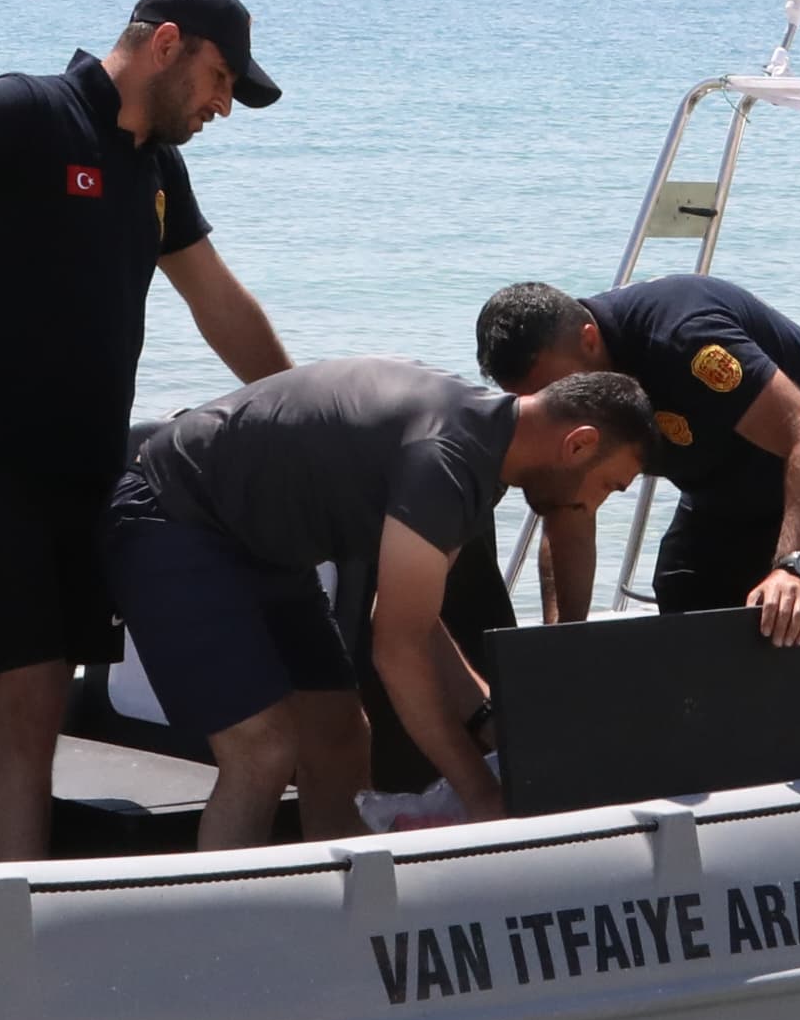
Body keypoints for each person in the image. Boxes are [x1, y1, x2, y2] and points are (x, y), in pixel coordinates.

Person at [0, 0, 293, 861]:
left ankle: (26, 918)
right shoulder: (29, 111)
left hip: (88, 472)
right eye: (221, 78)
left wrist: (302, 405)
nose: (222, 105)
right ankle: (11, 937)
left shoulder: (156, 166)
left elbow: (217, 302)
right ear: (167, 44)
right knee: (26, 706)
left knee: (46, 705)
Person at [108, 359, 656, 843]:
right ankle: (228, 943)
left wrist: (488, 717)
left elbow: (413, 618)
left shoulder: (484, 451)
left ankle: (347, 915)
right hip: (170, 512)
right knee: (262, 750)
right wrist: (483, 795)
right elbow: (396, 651)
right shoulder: (445, 459)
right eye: (607, 486)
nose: (592, 506)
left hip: (268, 548)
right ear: (578, 444)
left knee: (342, 738)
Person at [476, 273, 800, 771]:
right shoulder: (563, 405)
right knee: (685, 641)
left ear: (588, 339)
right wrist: (564, 642)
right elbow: (570, 508)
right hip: (722, 488)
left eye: (558, 389)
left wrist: (795, 568)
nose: (559, 412)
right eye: (542, 404)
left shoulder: (684, 340)